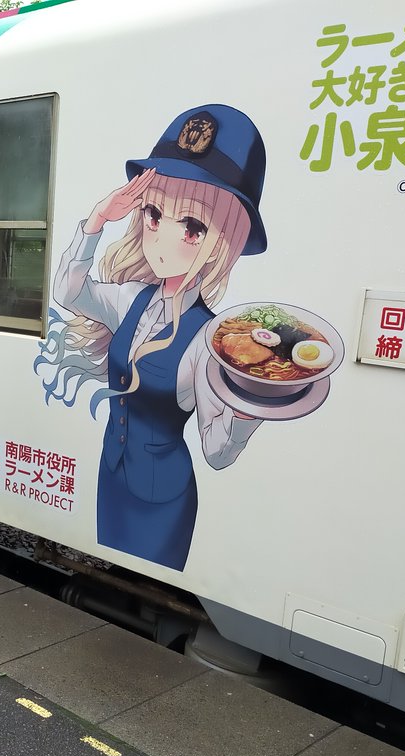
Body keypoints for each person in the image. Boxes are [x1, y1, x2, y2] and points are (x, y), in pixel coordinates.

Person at [37, 105, 266, 572]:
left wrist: (251, 404)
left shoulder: (211, 340)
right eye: (154, 214)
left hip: (164, 499)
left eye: (193, 227)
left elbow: (217, 452)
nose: (159, 237)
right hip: (112, 476)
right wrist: (96, 222)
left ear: (224, 240)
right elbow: (68, 291)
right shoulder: (130, 298)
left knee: (152, 583)